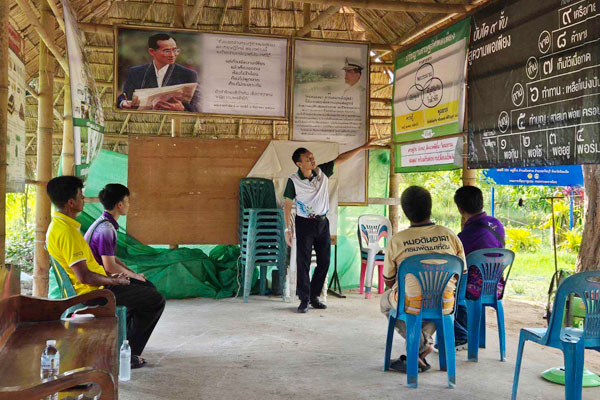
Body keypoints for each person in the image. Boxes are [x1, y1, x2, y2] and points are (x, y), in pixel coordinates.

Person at [46, 176, 165, 369]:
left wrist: (114, 277)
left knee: (146, 291)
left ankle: (122, 344)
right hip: (93, 292)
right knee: (155, 300)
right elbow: (85, 276)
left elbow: (101, 266)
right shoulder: (70, 232)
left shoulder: (65, 226)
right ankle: (125, 354)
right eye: (81, 196)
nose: (84, 199)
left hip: (97, 284)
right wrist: (115, 281)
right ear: (70, 202)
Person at [284, 141, 378, 313]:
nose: (312, 160)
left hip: (322, 223)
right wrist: (287, 229)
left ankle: (314, 297)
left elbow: (341, 158)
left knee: (325, 261)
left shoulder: (322, 172)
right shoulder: (293, 181)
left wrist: (362, 147)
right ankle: (304, 299)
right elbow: (287, 205)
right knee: (303, 262)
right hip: (304, 223)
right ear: (299, 163)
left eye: (312, 156)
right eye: (308, 158)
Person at [381, 186, 465, 372]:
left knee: (386, 301)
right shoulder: (449, 235)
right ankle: (422, 346)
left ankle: (419, 347)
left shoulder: (397, 240)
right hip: (445, 302)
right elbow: (462, 273)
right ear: (430, 207)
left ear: (405, 211)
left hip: (411, 302)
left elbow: (389, 280)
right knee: (438, 301)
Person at [452, 185, 505, 349]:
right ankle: (468, 335)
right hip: (495, 286)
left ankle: (461, 335)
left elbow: (458, 264)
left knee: (447, 290)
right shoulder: (497, 224)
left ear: (460, 210)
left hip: (474, 289)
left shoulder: (465, 236)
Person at [117, 33, 199, 112]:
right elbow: (124, 96)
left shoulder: (188, 75)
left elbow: (197, 108)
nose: (173, 55)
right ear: (152, 52)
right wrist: (123, 103)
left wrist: (182, 109)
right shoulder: (136, 72)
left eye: (175, 50)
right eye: (167, 51)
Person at [84, 183, 146, 282]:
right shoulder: (106, 230)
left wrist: (134, 274)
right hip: (99, 281)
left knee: (144, 284)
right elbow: (110, 267)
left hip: (102, 276)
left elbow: (112, 259)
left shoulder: (104, 222)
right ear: (120, 205)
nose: (129, 205)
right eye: (127, 201)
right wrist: (135, 277)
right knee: (148, 289)